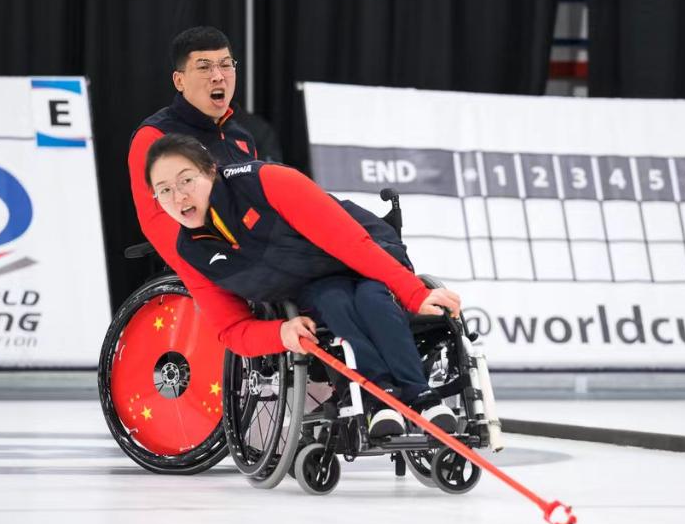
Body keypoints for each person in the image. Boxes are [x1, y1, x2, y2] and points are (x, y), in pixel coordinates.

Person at [144, 133, 462, 436]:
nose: (179, 196)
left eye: (186, 180)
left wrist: (414, 292)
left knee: (372, 298)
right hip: (316, 285)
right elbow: (231, 329)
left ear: (211, 171)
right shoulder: (191, 254)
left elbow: (351, 243)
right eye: (164, 190)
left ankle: (422, 396)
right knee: (333, 301)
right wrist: (280, 333)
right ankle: (379, 398)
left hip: (367, 255)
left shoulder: (266, 182)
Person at [127, 26, 258, 316]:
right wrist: (220, 267)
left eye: (226, 64)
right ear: (179, 80)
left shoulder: (241, 138)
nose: (218, 75)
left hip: (252, 259)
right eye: (204, 67)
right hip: (204, 267)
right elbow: (158, 221)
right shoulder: (155, 136)